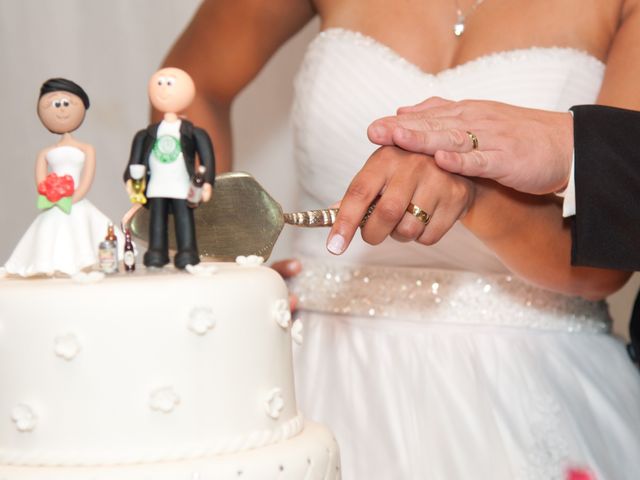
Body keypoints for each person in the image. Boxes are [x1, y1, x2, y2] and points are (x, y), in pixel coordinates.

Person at [162, 1, 640, 478]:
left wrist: (472, 193)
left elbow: (605, 257)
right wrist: (216, 260)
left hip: (528, 378)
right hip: (307, 365)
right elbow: (189, 87)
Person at [4, 78, 119, 277]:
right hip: (54, 201)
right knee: (48, 232)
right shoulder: (45, 152)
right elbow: (41, 180)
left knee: (80, 229)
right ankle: (47, 264)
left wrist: (75, 197)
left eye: (66, 103)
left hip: (75, 199)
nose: (62, 110)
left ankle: (84, 262)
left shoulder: (86, 148)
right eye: (55, 105)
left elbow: (87, 177)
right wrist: (51, 195)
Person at [125, 67, 215, 269]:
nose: (163, 89)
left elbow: (207, 158)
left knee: (184, 219)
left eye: (169, 83)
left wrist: (207, 183)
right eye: (159, 83)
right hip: (156, 186)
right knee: (156, 221)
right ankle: (157, 251)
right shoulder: (147, 134)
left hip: (183, 186)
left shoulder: (193, 133)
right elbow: (135, 160)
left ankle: (187, 251)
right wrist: (131, 181)